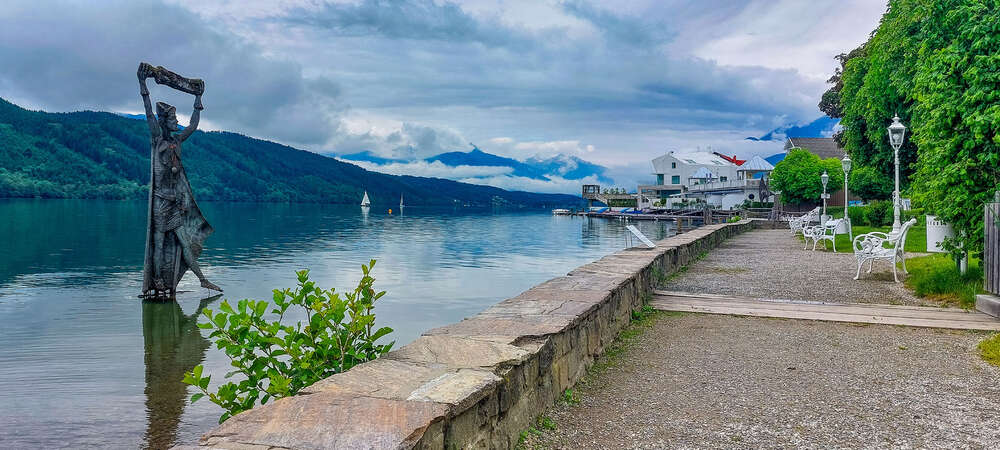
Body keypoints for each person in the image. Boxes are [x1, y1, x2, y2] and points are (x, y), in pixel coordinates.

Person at [139, 63, 221, 296]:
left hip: (174, 204)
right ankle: (157, 282)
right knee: (160, 244)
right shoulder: (158, 140)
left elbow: (194, 125)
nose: (177, 122)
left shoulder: (178, 142)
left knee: (185, 244)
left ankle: (203, 279)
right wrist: (143, 85)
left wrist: (198, 100)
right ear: (164, 121)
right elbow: (147, 113)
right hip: (160, 204)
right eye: (173, 119)